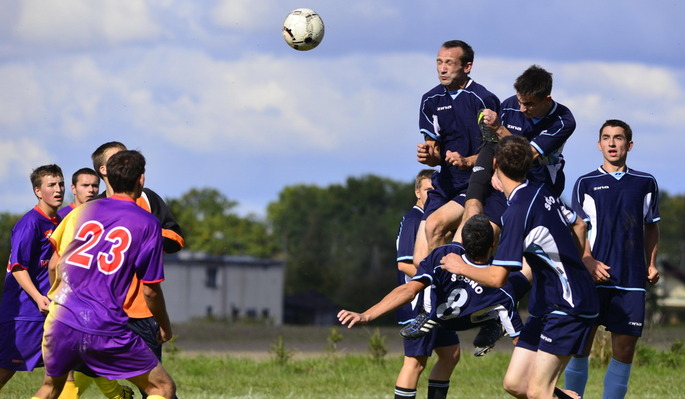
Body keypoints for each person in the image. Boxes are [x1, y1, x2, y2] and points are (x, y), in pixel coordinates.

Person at [440, 135, 597, 399]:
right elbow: (579, 224)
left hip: (569, 305)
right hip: (549, 305)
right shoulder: (539, 189)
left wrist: (459, 266)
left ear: (495, 165)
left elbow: (498, 277)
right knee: (515, 384)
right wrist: (581, 261)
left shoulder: (517, 211)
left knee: (538, 391)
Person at [33, 150, 175, 399]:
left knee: (50, 389)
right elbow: (150, 289)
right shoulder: (147, 223)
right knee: (162, 388)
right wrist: (164, 325)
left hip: (61, 319)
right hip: (102, 322)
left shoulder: (82, 211)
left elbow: (54, 265)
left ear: (107, 177)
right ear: (141, 180)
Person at [339, 214, 529, 398]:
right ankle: (493, 322)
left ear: (462, 239)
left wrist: (367, 315)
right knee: (527, 272)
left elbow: (408, 290)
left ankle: (493, 323)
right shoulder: (503, 289)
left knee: (448, 355)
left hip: (433, 315)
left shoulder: (444, 255)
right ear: (494, 243)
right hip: (467, 320)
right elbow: (519, 342)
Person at [563, 120, 660, 399]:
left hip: (630, 278)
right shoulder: (585, 182)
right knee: (580, 346)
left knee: (625, 351)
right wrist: (587, 261)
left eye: (618, 138)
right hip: (592, 278)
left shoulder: (645, 182)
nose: (612, 143)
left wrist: (651, 263)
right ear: (599, 144)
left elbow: (651, 225)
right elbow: (577, 228)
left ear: (629, 145)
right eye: (606, 138)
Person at [414, 40, 505, 268]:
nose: (442, 69)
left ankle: (457, 283)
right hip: (445, 182)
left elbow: (494, 150)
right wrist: (429, 155)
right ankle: (440, 287)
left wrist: (466, 161)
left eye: (449, 63)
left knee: (435, 225)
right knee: (418, 260)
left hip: (474, 183)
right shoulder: (430, 100)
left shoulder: (484, 99)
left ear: (467, 67)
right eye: (439, 62)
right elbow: (434, 151)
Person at [458, 65, 576, 240]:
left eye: (529, 104)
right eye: (520, 101)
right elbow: (495, 146)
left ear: (546, 99)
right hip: (507, 177)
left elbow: (526, 154)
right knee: (485, 235)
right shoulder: (509, 105)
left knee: (522, 238)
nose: (521, 108)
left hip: (541, 181)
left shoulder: (563, 120)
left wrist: (498, 128)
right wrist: (496, 171)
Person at [393, 169, 460, 399]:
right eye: (428, 190)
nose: (432, 194)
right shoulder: (415, 220)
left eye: (436, 190)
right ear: (417, 193)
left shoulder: (435, 219)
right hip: (418, 304)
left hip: (435, 303)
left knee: (451, 353)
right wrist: (434, 280)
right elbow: (404, 264)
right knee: (415, 363)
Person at [0, 164, 64, 392]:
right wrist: (38, 297)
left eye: (60, 184)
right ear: (38, 191)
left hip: (49, 312)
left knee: (62, 372)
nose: (58, 190)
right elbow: (17, 268)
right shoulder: (30, 223)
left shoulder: (59, 222)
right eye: (51, 185)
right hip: (25, 314)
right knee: (6, 369)